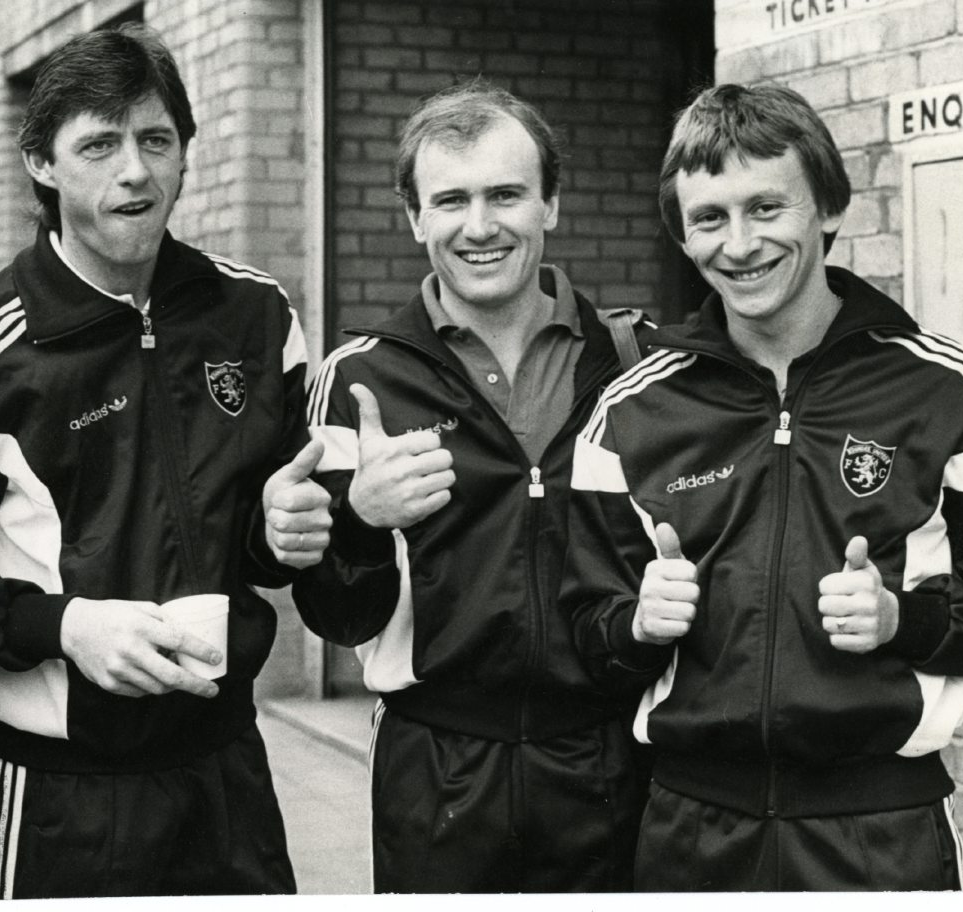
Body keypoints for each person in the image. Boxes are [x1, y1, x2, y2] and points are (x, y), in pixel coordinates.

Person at [0, 24, 328, 899]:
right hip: (60, 793)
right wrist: (67, 628)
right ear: (40, 164)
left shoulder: (256, 314)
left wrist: (287, 532)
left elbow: (263, 535)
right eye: (99, 143)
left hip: (227, 765)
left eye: (156, 140)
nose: (135, 170)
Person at [561, 83, 963, 891]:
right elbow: (585, 631)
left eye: (766, 209)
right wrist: (636, 624)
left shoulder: (953, 397)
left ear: (827, 206)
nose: (740, 243)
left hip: (878, 832)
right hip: (691, 829)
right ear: (682, 236)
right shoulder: (631, 411)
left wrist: (903, 618)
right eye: (710, 218)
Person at [291, 79, 651, 893]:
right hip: (437, 772)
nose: (480, 226)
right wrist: (357, 520)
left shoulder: (638, 367)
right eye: (450, 200)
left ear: (550, 205)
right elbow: (335, 613)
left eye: (506, 195)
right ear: (415, 217)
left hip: (611, 763)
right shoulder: (360, 379)